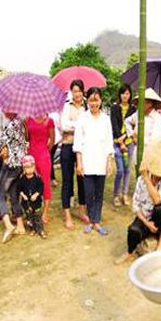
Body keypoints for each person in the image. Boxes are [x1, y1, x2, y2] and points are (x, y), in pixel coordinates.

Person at [115, 136, 161, 265]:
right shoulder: (141, 180)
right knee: (133, 230)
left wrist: (147, 179)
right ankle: (130, 252)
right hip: (146, 218)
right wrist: (147, 224)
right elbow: (136, 206)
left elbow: (158, 200)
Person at [73, 87, 114, 236]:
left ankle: (96, 221)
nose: (94, 103)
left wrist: (109, 162)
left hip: (101, 160)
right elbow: (77, 142)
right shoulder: (82, 118)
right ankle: (90, 219)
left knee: (99, 193)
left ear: (101, 100)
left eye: (96, 100)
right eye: (91, 100)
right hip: (87, 161)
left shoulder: (105, 118)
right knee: (89, 193)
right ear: (87, 100)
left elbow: (109, 141)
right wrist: (79, 163)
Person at [0, 112, 28, 243]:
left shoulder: (12, 125)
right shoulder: (23, 123)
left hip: (9, 166)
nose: (3, 112)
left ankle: (9, 226)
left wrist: (2, 149)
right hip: (19, 165)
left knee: (0, 196)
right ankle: (20, 225)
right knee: (13, 195)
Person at [59, 80, 89, 230]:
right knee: (67, 181)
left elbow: (89, 126)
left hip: (83, 149)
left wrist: (75, 125)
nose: (77, 94)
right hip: (67, 146)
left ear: (83, 91)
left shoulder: (87, 106)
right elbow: (63, 126)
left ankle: (82, 211)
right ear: (71, 92)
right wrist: (80, 126)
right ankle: (67, 215)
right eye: (74, 91)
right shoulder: (66, 106)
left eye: (79, 90)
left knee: (82, 179)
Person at [110, 84, 137, 207]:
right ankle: (116, 194)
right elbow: (114, 125)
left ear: (130, 95)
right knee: (120, 170)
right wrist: (120, 141)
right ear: (119, 95)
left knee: (127, 169)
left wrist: (126, 138)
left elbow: (133, 126)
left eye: (127, 93)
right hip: (116, 142)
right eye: (123, 93)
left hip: (129, 142)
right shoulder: (114, 108)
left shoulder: (133, 109)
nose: (125, 96)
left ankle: (125, 194)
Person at [26, 114, 55, 224]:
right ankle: (33, 210)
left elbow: (52, 140)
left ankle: (45, 212)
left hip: (43, 157)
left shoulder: (49, 121)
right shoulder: (28, 119)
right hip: (31, 156)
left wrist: (45, 152)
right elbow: (26, 137)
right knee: (31, 183)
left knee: (45, 184)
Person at [18, 155, 46, 238]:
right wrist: (23, 195)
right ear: (24, 168)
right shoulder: (22, 179)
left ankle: (40, 230)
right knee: (29, 217)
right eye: (27, 167)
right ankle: (32, 229)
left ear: (34, 167)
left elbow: (41, 187)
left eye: (31, 167)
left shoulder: (37, 178)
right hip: (26, 203)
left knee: (37, 217)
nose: (29, 170)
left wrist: (37, 194)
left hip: (36, 203)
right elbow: (19, 189)